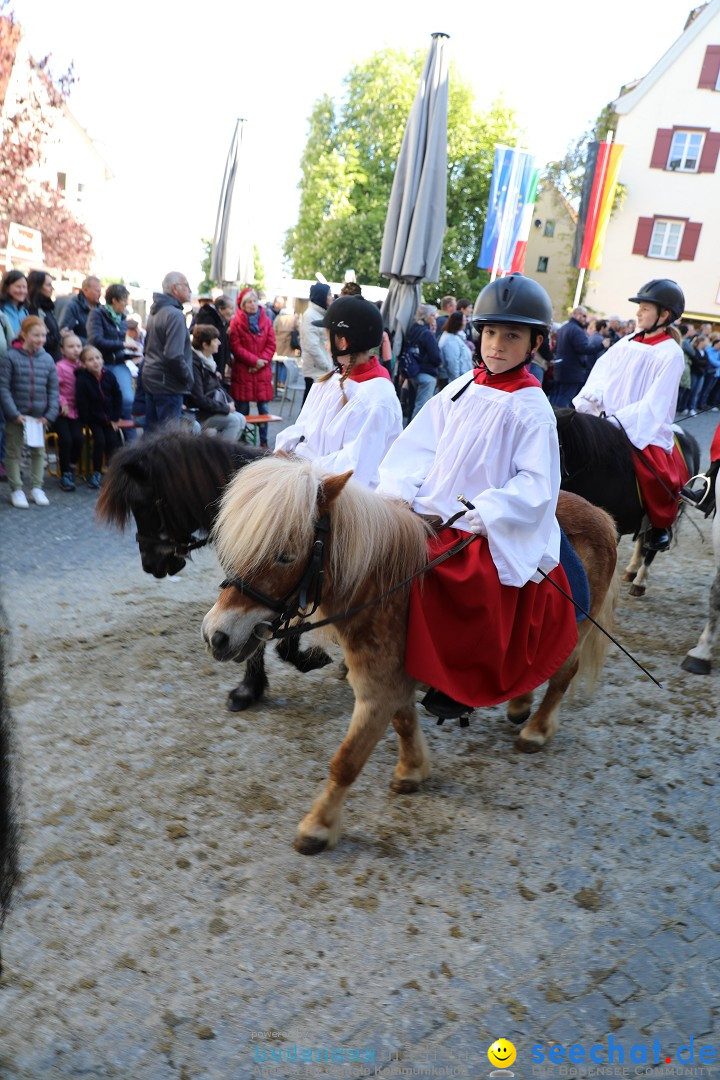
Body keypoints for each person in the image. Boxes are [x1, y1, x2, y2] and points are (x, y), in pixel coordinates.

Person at [376, 274, 577, 720]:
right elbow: (421, 443)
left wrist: (483, 512)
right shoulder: (464, 385)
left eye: (511, 335)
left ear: (533, 343)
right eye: (490, 332)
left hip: (486, 520)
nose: (497, 345)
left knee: (469, 581)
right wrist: (401, 491)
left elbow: (536, 485)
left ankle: (461, 680)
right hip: (433, 505)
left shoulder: (532, 410)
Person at [573, 278, 688, 551]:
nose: (638, 313)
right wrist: (592, 401)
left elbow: (655, 403)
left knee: (657, 475)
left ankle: (658, 526)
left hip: (639, 426)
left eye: (645, 308)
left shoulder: (671, 353)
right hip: (603, 419)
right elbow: (600, 375)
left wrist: (617, 422)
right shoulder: (626, 342)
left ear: (664, 315)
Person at [275, 296, 402, 489]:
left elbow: (354, 468)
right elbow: (303, 427)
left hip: (339, 500)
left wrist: (301, 464)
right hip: (306, 480)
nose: (326, 345)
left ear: (342, 343)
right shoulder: (330, 379)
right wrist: (285, 449)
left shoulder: (377, 399)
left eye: (328, 338)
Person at [0, 315, 59, 508]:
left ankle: (36, 487)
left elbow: (53, 389)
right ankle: (16, 488)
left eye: (43, 335)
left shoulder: (47, 359)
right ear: (24, 334)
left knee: (38, 452)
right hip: (17, 415)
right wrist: (13, 413)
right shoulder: (11, 357)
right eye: (36, 335)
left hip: (38, 417)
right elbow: (4, 388)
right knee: (13, 451)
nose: (41, 339)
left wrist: (49, 414)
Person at [142, 271, 194, 429]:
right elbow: (173, 355)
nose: (189, 290)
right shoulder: (175, 315)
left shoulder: (156, 311)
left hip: (152, 379)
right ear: (175, 288)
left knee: (152, 437)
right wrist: (187, 377)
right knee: (167, 440)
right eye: (186, 285)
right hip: (168, 384)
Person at [228, 288, 276, 448]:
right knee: (242, 408)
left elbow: (271, 344)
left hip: (262, 371)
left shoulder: (267, 321)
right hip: (244, 372)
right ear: (242, 305)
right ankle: (242, 441)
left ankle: (264, 441)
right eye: (249, 301)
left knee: (264, 409)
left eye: (255, 300)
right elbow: (235, 346)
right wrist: (254, 361)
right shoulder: (235, 322)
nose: (253, 304)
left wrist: (261, 361)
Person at [87, 283, 136, 433]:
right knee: (105, 402)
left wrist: (130, 352)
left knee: (127, 399)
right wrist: (123, 345)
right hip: (102, 364)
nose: (126, 304)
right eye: (124, 301)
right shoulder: (97, 314)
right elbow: (96, 340)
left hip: (119, 363)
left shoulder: (122, 318)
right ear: (114, 300)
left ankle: (130, 440)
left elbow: (117, 345)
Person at [74, 345, 122, 489]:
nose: (96, 361)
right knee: (99, 441)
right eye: (91, 359)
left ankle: (114, 471)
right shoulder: (83, 380)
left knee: (113, 441)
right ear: (83, 364)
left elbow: (117, 396)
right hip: (94, 420)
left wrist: (115, 417)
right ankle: (96, 472)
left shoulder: (109, 375)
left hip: (109, 419)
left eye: (98, 358)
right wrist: (86, 420)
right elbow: (82, 401)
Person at [188, 324, 246, 441]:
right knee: (233, 421)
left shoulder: (208, 361)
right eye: (215, 340)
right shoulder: (196, 364)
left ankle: (220, 453)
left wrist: (230, 402)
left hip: (209, 409)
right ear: (205, 345)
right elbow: (198, 398)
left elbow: (218, 388)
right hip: (199, 413)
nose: (219, 343)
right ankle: (223, 456)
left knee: (241, 418)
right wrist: (225, 407)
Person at [549, 305, 604, 406]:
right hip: (571, 371)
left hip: (561, 368)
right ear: (577, 315)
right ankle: (558, 420)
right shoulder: (576, 330)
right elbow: (584, 349)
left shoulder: (564, 328)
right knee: (564, 398)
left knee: (556, 396)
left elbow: (556, 349)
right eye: (584, 316)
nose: (585, 319)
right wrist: (602, 345)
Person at [53, 333, 85, 491]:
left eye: (78, 346)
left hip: (78, 411)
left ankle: (72, 466)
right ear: (62, 350)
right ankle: (65, 473)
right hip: (62, 411)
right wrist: (62, 403)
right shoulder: (60, 366)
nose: (76, 350)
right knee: (66, 440)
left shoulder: (83, 365)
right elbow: (53, 388)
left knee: (79, 439)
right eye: (71, 347)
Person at [405, 304, 441, 419]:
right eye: (433, 315)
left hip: (412, 372)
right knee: (421, 408)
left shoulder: (412, 329)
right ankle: (413, 435)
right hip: (426, 374)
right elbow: (435, 357)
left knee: (413, 405)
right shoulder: (427, 333)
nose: (434, 318)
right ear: (427, 317)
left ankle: (408, 431)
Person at [299, 282, 333, 404]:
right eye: (329, 294)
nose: (331, 297)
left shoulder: (319, 314)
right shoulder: (311, 315)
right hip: (316, 370)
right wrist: (327, 366)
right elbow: (311, 345)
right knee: (310, 407)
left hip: (321, 368)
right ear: (321, 296)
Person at [195, 295, 233, 381]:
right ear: (220, 309)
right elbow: (203, 349)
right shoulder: (208, 320)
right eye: (230, 308)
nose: (233, 312)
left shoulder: (222, 322)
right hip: (210, 370)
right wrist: (214, 370)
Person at [27, 270, 62, 362]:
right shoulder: (33, 310)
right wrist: (59, 336)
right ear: (37, 287)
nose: (52, 288)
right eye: (48, 285)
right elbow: (39, 339)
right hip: (41, 361)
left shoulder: (48, 307)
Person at [57, 275, 102, 342]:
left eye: (100, 291)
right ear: (85, 290)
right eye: (97, 291)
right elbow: (64, 332)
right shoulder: (73, 306)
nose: (100, 294)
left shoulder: (100, 309)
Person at [438, 310, 473, 384]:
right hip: (452, 381)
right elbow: (452, 362)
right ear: (458, 322)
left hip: (457, 378)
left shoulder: (454, 336)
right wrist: (457, 382)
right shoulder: (450, 339)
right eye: (464, 320)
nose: (465, 322)